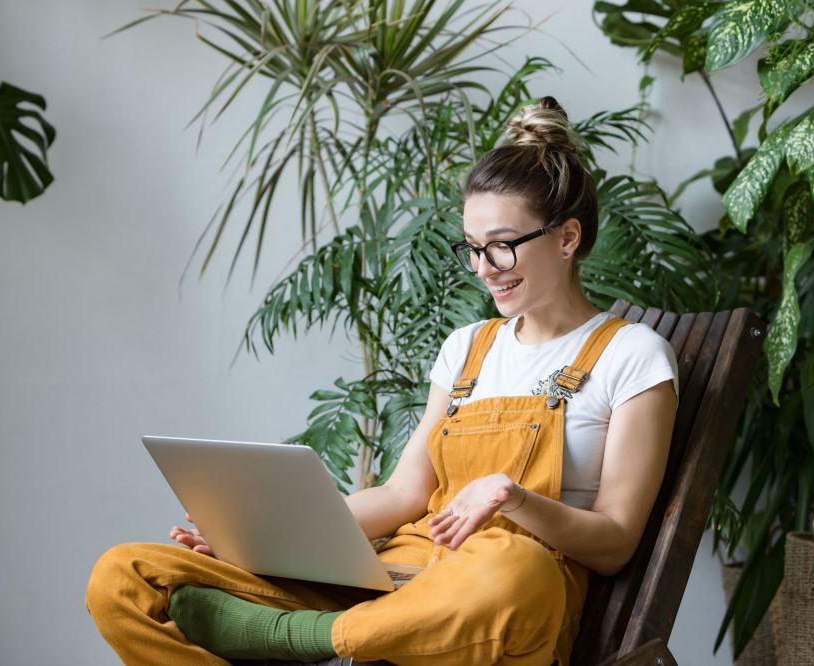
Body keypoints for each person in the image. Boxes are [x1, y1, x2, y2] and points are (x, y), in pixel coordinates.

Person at [86, 96, 679, 666]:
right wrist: (256, 539)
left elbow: (616, 541)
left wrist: (516, 501)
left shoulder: (632, 356)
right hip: (405, 579)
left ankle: (305, 639)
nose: (483, 270)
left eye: (501, 247)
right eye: (471, 249)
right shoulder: (467, 348)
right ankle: (351, 637)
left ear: (568, 238)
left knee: (513, 567)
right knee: (125, 575)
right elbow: (403, 496)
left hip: (499, 595)